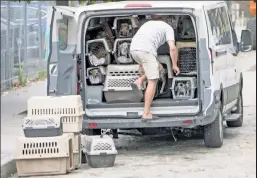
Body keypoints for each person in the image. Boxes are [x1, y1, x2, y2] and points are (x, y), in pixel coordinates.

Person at [130, 15, 180, 121]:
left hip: (134, 49)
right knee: (153, 80)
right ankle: (146, 113)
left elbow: (142, 40)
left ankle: (140, 80)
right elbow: (172, 48)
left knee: (159, 67)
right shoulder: (168, 28)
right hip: (146, 50)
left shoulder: (148, 24)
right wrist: (174, 65)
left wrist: (141, 64)